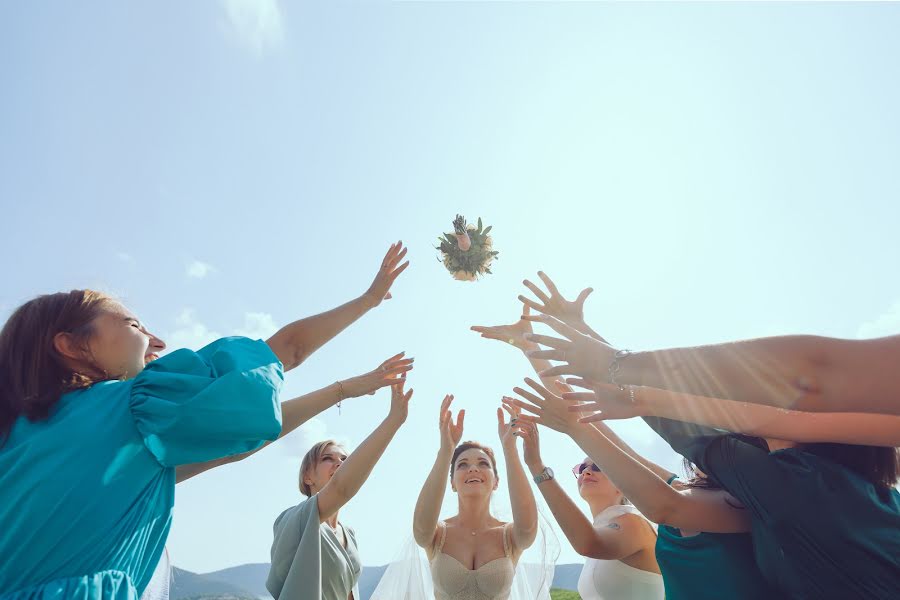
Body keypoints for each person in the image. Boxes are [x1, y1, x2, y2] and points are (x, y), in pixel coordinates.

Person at [0, 242, 408, 600]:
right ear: (71, 345)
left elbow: (238, 444)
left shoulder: (23, 438)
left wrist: (343, 389)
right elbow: (288, 350)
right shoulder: (135, 411)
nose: (157, 341)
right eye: (134, 325)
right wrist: (368, 300)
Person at [518, 273, 900, 598]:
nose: (760, 406)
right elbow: (630, 443)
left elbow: (692, 445)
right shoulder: (872, 497)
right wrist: (588, 347)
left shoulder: (795, 484)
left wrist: (621, 376)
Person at [474, 301, 770, 600]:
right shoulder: (679, 487)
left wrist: (539, 464)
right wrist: (532, 346)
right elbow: (584, 414)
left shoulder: (742, 504)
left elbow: (658, 509)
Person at [267, 378, 415, 600]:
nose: (339, 463)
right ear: (307, 476)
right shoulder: (294, 519)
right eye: (328, 458)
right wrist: (393, 421)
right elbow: (341, 488)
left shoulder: (350, 534)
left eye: (345, 459)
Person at [412, 394, 539, 600]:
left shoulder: (510, 536)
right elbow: (420, 530)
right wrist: (446, 450)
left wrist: (510, 448)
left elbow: (528, 528)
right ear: (452, 483)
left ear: (496, 481)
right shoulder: (436, 535)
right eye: (462, 464)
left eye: (483, 463)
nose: (473, 468)